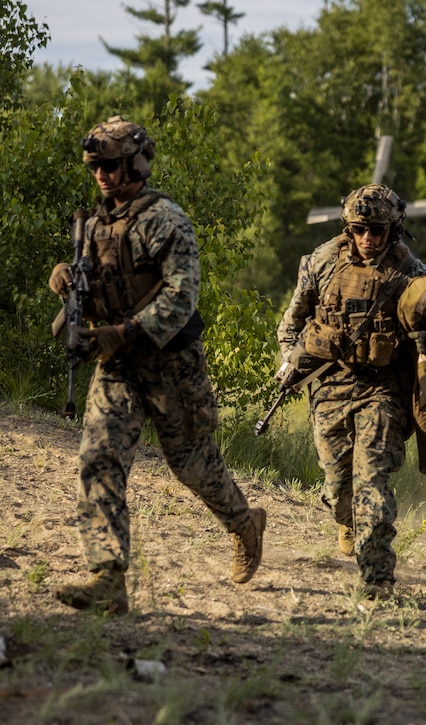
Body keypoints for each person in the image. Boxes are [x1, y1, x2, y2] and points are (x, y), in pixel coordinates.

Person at [48, 116, 265, 615]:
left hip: (171, 364)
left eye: (111, 165)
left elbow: (182, 295)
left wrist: (120, 332)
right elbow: (100, 280)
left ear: (135, 164)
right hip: (117, 365)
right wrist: (65, 277)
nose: (101, 174)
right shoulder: (96, 223)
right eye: (96, 166)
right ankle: (108, 578)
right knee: (98, 458)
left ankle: (243, 522)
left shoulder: (165, 218)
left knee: (193, 464)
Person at [276, 183, 426, 600]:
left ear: (394, 230)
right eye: (360, 229)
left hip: (383, 389)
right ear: (349, 227)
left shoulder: (410, 272)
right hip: (331, 384)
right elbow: (292, 322)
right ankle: (346, 521)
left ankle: (377, 577)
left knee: (373, 480)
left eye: (378, 230)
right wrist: (288, 362)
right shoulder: (322, 262)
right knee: (338, 485)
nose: (368, 238)